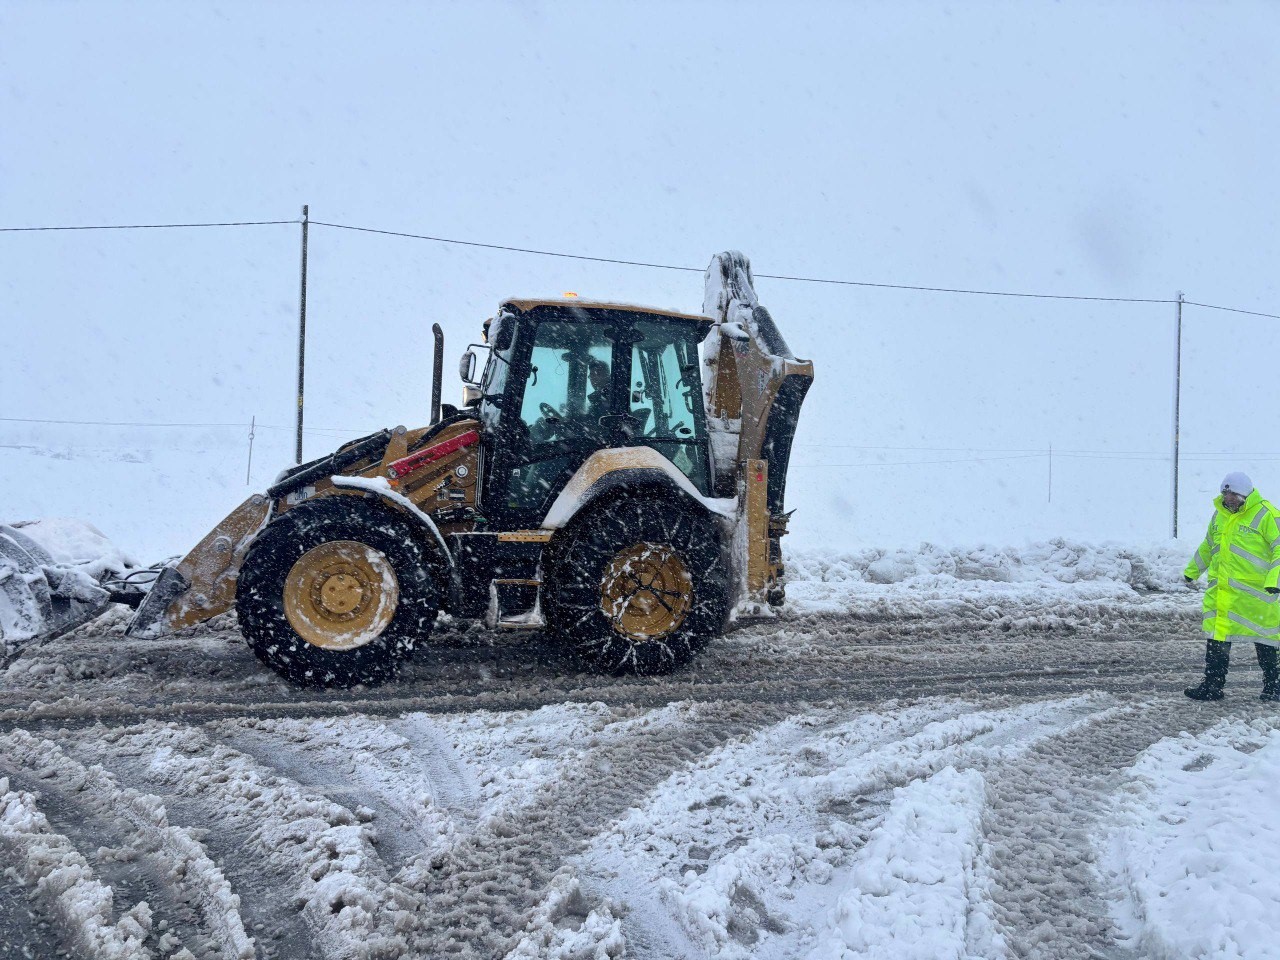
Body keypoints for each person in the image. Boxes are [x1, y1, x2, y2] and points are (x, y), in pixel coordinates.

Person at [1183, 471, 1280, 702]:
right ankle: (1212, 686)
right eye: (1225, 495)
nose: (1229, 499)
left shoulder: (1267, 514)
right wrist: (1192, 570)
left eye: (1234, 495)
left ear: (1245, 494)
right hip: (1223, 595)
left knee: (1266, 641)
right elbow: (1208, 546)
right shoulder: (1219, 515)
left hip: (1258, 596)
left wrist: (1275, 581)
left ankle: (1275, 687)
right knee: (1217, 639)